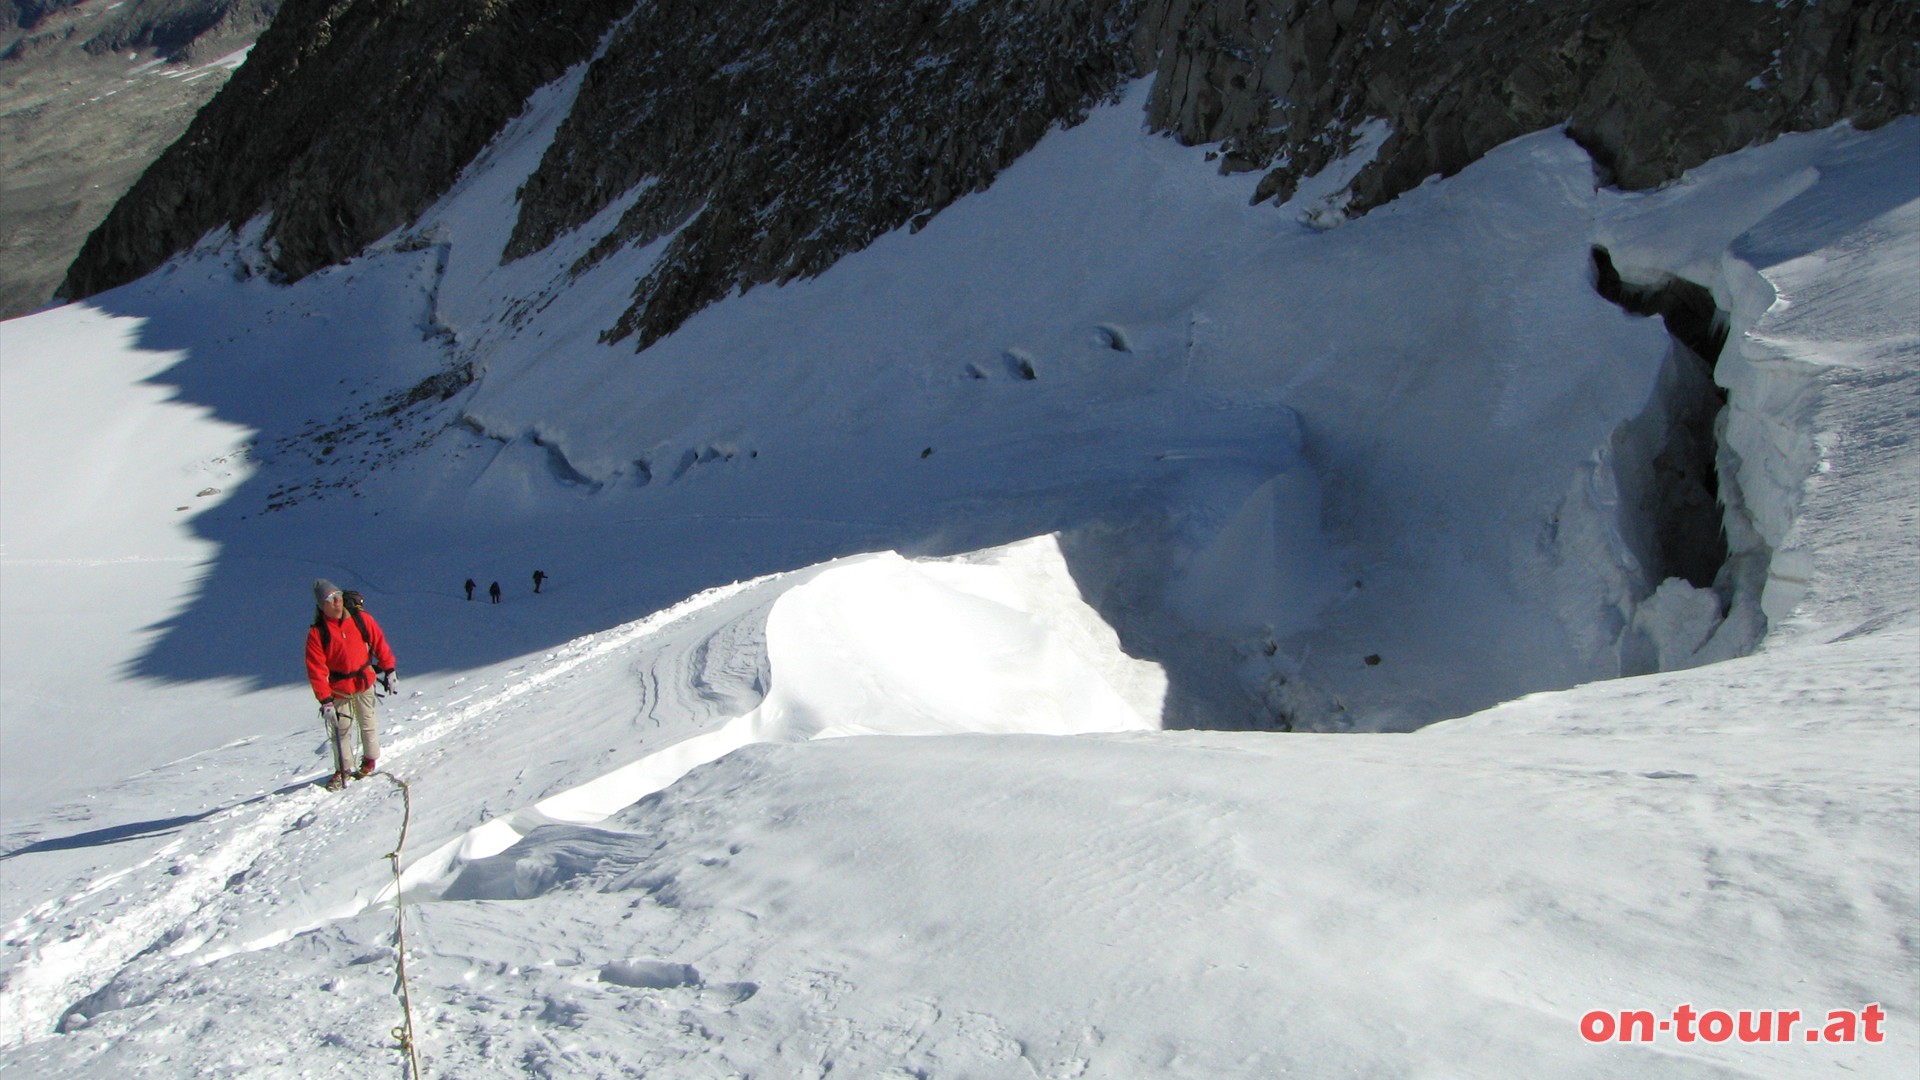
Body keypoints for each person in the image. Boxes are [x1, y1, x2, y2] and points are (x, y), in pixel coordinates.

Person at [304, 579, 398, 790]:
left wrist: (389, 668)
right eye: (330, 599)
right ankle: (343, 769)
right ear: (322, 605)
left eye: (338, 596)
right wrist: (325, 700)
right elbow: (316, 669)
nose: (337, 601)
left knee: (367, 721)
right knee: (341, 729)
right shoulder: (317, 634)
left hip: (364, 680)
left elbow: (379, 643)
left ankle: (370, 760)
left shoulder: (360, 619)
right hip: (339, 688)